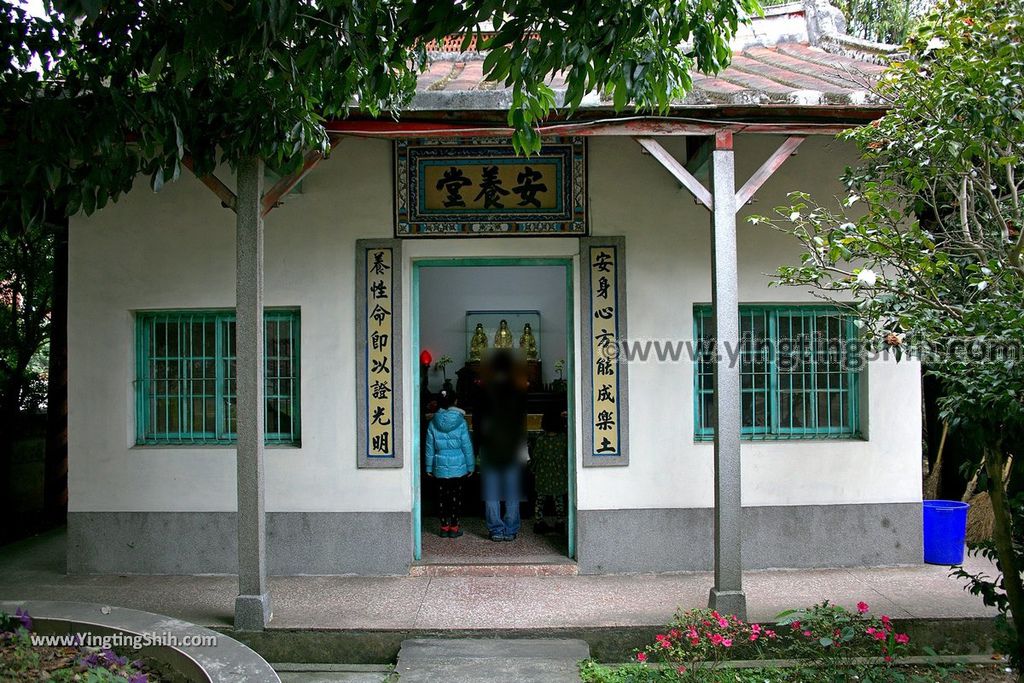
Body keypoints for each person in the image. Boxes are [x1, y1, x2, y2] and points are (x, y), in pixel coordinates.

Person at [473, 349, 528, 542]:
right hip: (511, 446)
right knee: (512, 490)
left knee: (492, 490)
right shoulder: (517, 390)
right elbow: (521, 422)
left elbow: (477, 422)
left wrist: (477, 446)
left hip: (490, 447)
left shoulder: (483, 390)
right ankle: (511, 529)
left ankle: (496, 529)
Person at [424, 390, 474, 538]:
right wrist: (470, 466)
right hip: (458, 465)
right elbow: (466, 446)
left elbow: (429, 447)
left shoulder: (433, 422)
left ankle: (444, 527)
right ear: (455, 402)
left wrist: (428, 466)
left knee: (441, 497)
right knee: (455, 497)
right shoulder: (461, 421)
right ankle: (454, 527)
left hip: (439, 465)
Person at [530, 408, 568, 533]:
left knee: (540, 499)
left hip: (543, 472)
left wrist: (533, 469)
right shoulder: (563, 438)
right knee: (559, 499)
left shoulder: (541, 439)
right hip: (559, 473)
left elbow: (536, 456)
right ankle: (560, 522)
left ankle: (538, 521)